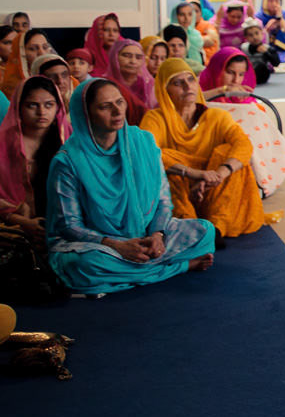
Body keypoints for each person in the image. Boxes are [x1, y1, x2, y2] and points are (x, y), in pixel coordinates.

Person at [46, 76, 217, 295]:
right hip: (103, 246)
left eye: (119, 102)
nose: (117, 112)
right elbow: (70, 226)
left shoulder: (143, 142)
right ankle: (179, 266)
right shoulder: (67, 161)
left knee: (205, 231)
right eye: (105, 107)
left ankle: (138, 267)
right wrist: (118, 246)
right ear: (86, 114)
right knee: (83, 265)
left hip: (147, 236)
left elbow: (163, 200)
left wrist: (158, 235)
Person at [141, 59, 273, 238]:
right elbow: (147, 153)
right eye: (178, 83)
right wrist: (195, 174)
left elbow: (243, 144)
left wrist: (218, 174)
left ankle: (217, 228)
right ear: (165, 91)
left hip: (214, 188)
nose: (187, 87)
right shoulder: (155, 118)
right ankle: (189, 226)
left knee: (229, 154)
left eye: (191, 80)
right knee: (160, 159)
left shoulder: (216, 116)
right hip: (180, 189)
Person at [0, 76, 68, 303]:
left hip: (58, 226)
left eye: (49, 105)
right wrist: (22, 221)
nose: (42, 112)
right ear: (18, 107)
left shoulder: (66, 141)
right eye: (33, 105)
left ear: (58, 107)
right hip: (11, 225)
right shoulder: (3, 143)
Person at [197, 48, 285, 196]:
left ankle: (259, 177)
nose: (236, 81)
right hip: (216, 139)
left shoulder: (245, 96)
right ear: (217, 69)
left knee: (254, 117)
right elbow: (195, 101)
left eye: (241, 75)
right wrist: (221, 90)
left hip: (243, 143)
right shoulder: (200, 86)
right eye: (230, 73)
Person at [110, 39, 156, 124]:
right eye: (127, 56)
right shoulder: (106, 84)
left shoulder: (149, 86)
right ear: (115, 57)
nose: (133, 61)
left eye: (138, 57)